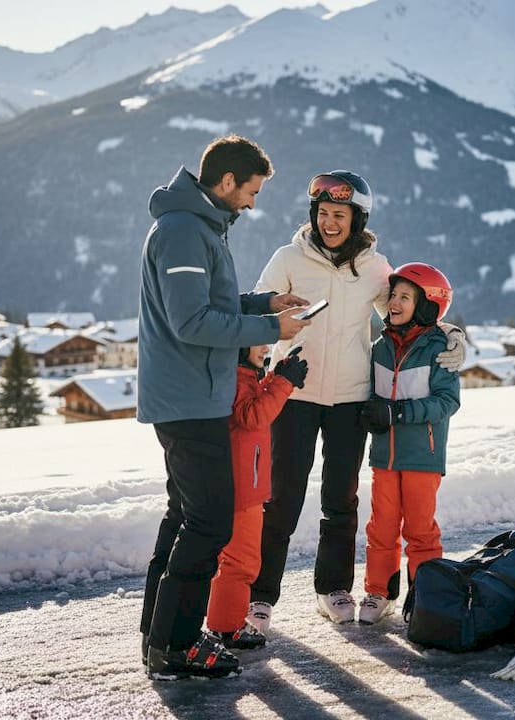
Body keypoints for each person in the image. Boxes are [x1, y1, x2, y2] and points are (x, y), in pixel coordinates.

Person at [249, 171, 467, 628]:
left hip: (351, 396)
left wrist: (450, 335)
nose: (330, 223)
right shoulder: (289, 258)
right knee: (281, 497)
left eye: (339, 215)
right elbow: (257, 306)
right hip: (295, 393)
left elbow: (410, 309)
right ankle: (260, 595)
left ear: (357, 218)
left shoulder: (373, 267)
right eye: (324, 213)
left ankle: (332, 588)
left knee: (340, 498)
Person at [136, 135, 311, 681]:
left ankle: (161, 635)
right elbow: (191, 323)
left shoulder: (198, 226)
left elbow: (207, 304)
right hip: (188, 400)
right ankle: (178, 646)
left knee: (185, 516)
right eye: (251, 191)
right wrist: (269, 329)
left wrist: (264, 303)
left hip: (193, 395)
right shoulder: (186, 231)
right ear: (227, 180)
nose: (253, 203)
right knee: (209, 522)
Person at [355, 262, 461, 624]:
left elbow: (448, 402)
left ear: (428, 306)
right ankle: (378, 591)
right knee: (380, 527)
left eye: (405, 297)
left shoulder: (441, 350)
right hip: (385, 455)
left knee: (420, 530)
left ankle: (425, 595)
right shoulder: (379, 347)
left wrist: (399, 413)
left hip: (422, 456)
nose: (395, 303)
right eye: (393, 296)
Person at [205, 344, 308, 650]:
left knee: (236, 560)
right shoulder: (237, 378)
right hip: (242, 489)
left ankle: (225, 622)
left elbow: (250, 401)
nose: (266, 347)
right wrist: (284, 383)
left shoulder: (240, 375)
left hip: (243, 485)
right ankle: (227, 628)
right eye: (258, 341)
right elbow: (253, 414)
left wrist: (276, 374)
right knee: (241, 562)